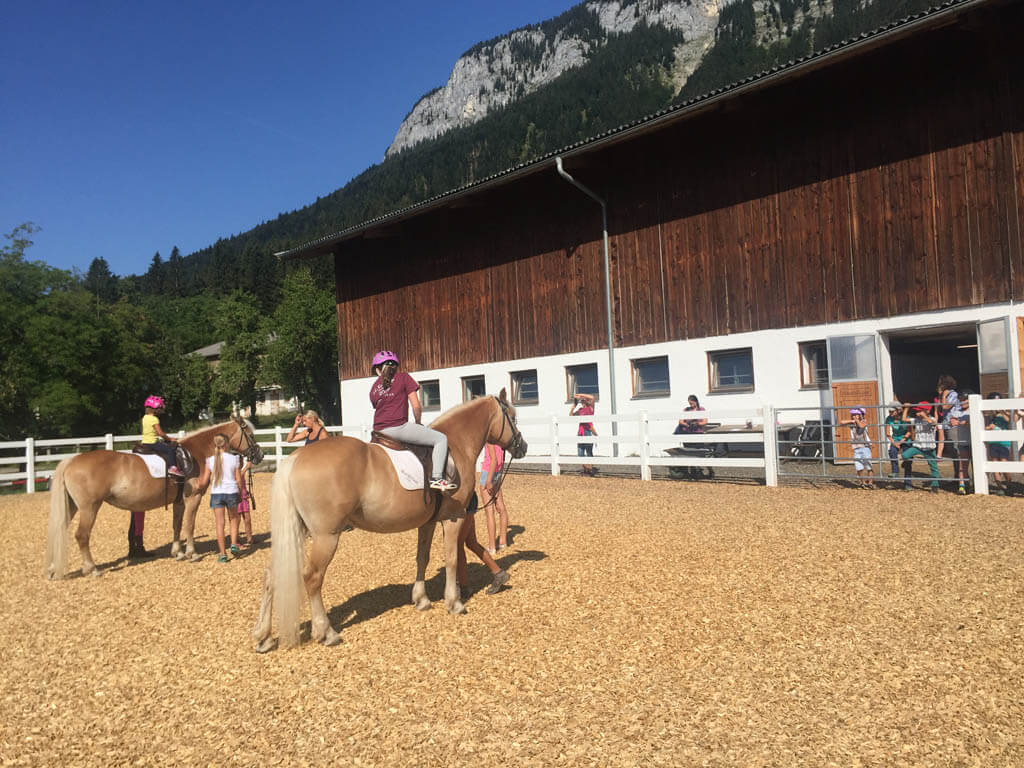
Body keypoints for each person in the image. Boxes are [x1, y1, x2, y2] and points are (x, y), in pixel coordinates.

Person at [369, 350, 456, 491]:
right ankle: (437, 478)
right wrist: (418, 422)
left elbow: (378, 407)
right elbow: (416, 405)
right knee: (441, 439)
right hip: (398, 428)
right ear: (395, 367)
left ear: (378, 370)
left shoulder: (374, 388)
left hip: (378, 432)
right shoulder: (403, 378)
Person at [197, 433, 243, 562]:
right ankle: (233, 544)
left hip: (217, 493)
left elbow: (204, 481)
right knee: (234, 519)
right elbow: (238, 479)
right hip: (231, 491)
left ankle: (222, 554)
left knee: (219, 524)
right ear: (227, 444)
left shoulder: (210, 460)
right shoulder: (234, 459)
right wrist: (240, 492)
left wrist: (198, 485)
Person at [456, 493, 510, 600]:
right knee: (471, 542)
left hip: (464, 501)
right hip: (469, 498)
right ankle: (499, 573)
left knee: (457, 544)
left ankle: (463, 587)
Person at [901, 401, 944, 493]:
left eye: (920, 411)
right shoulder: (916, 420)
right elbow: (904, 419)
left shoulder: (933, 419)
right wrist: (906, 408)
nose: (917, 413)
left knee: (933, 467)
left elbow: (931, 422)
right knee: (904, 455)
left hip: (929, 448)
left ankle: (935, 486)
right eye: (917, 411)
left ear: (927, 411)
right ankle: (906, 461)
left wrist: (924, 416)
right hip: (918, 446)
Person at [141, 395, 183, 477]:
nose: (161, 410)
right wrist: (170, 439)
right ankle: (173, 468)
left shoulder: (145, 417)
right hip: (152, 442)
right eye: (160, 408)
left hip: (145, 442)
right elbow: (160, 433)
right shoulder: (154, 419)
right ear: (156, 409)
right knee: (170, 450)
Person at [479, 442, 509, 554]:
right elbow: (501, 459)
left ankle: (492, 547)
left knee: (489, 512)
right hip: (498, 473)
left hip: (488, 473)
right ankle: (503, 541)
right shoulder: (501, 439)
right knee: (501, 508)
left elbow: (494, 460)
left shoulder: (490, 438)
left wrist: (488, 481)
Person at [838, 406, 876, 489]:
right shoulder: (852, 423)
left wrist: (857, 420)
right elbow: (840, 422)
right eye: (853, 415)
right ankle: (863, 483)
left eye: (856, 414)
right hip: (856, 448)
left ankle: (870, 482)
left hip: (865, 447)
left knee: (869, 466)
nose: (854, 416)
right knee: (858, 467)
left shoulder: (864, 421)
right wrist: (852, 421)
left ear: (861, 415)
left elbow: (861, 426)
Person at [673, 394, 708, 479]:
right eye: (690, 403)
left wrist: (697, 423)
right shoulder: (686, 410)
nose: (691, 405)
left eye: (692, 403)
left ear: (696, 401)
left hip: (697, 433)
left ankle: (698, 471)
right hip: (687, 433)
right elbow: (680, 421)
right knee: (688, 452)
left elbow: (705, 421)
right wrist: (686, 424)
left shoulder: (701, 409)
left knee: (697, 452)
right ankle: (691, 471)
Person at [985, 392, 1012, 494]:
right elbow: (985, 427)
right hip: (993, 442)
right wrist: (989, 427)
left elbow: (1008, 420)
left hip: (1004, 442)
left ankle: (1009, 484)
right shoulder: (989, 415)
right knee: (995, 464)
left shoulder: (1005, 413)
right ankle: (1000, 486)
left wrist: (1001, 410)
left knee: (1004, 462)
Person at [884, 400, 912, 490]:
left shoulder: (905, 418)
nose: (890, 413)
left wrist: (901, 442)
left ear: (898, 410)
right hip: (895, 439)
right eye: (889, 411)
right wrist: (894, 442)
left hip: (906, 439)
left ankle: (908, 483)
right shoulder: (888, 419)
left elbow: (909, 432)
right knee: (892, 451)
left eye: (892, 411)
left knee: (908, 461)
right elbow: (887, 433)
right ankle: (895, 471)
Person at [950, 389, 973, 494]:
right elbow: (952, 421)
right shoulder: (957, 412)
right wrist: (959, 422)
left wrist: (962, 422)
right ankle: (962, 486)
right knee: (962, 465)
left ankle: (974, 485)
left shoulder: (973, 410)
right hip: (963, 442)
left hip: (974, 442)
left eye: (965, 400)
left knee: (975, 465)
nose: (962, 402)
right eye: (961, 400)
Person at [571, 393, 597, 476]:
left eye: (583, 400)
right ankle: (586, 470)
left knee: (589, 452)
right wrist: (573, 406)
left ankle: (590, 470)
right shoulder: (580, 410)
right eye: (581, 400)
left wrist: (580, 395)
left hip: (588, 431)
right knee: (580, 453)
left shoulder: (590, 409)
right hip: (580, 432)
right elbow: (571, 415)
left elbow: (592, 397)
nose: (582, 401)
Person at [236, 454, 254, 548]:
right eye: (240, 461)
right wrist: (246, 467)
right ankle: (236, 539)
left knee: (247, 519)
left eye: (242, 461)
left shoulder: (239, 470)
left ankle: (249, 538)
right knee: (237, 520)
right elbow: (238, 478)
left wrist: (246, 491)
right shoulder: (235, 471)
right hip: (237, 498)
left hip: (243, 497)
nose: (242, 463)